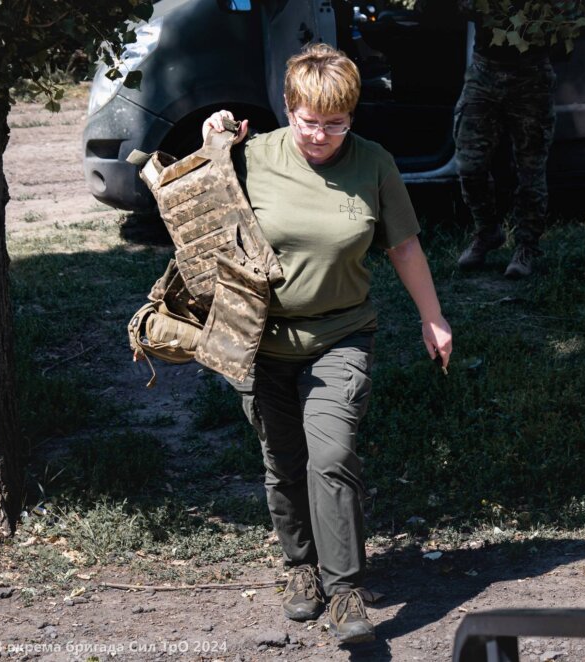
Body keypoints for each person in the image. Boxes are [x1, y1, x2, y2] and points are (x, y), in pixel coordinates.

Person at [202, 43, 453, 644]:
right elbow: (195, 205)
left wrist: (432, 317)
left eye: (335, 123)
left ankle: (343, 591)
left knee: (332, 455)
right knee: (283, 462)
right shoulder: (254, 157)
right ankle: (300, 572)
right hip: (261, 341)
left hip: (341, 334)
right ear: (288, 109)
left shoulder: (373, 164)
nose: (320, 135)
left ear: (352, 116)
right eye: (309, 121)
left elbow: (404, 247)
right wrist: (213, 140)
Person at [454, 1, 557, 278]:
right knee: (469, 164)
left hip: (531, 74)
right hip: (485, 70)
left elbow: (566, 23)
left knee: (531, 170)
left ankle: (527, 246)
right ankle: (488, 232)